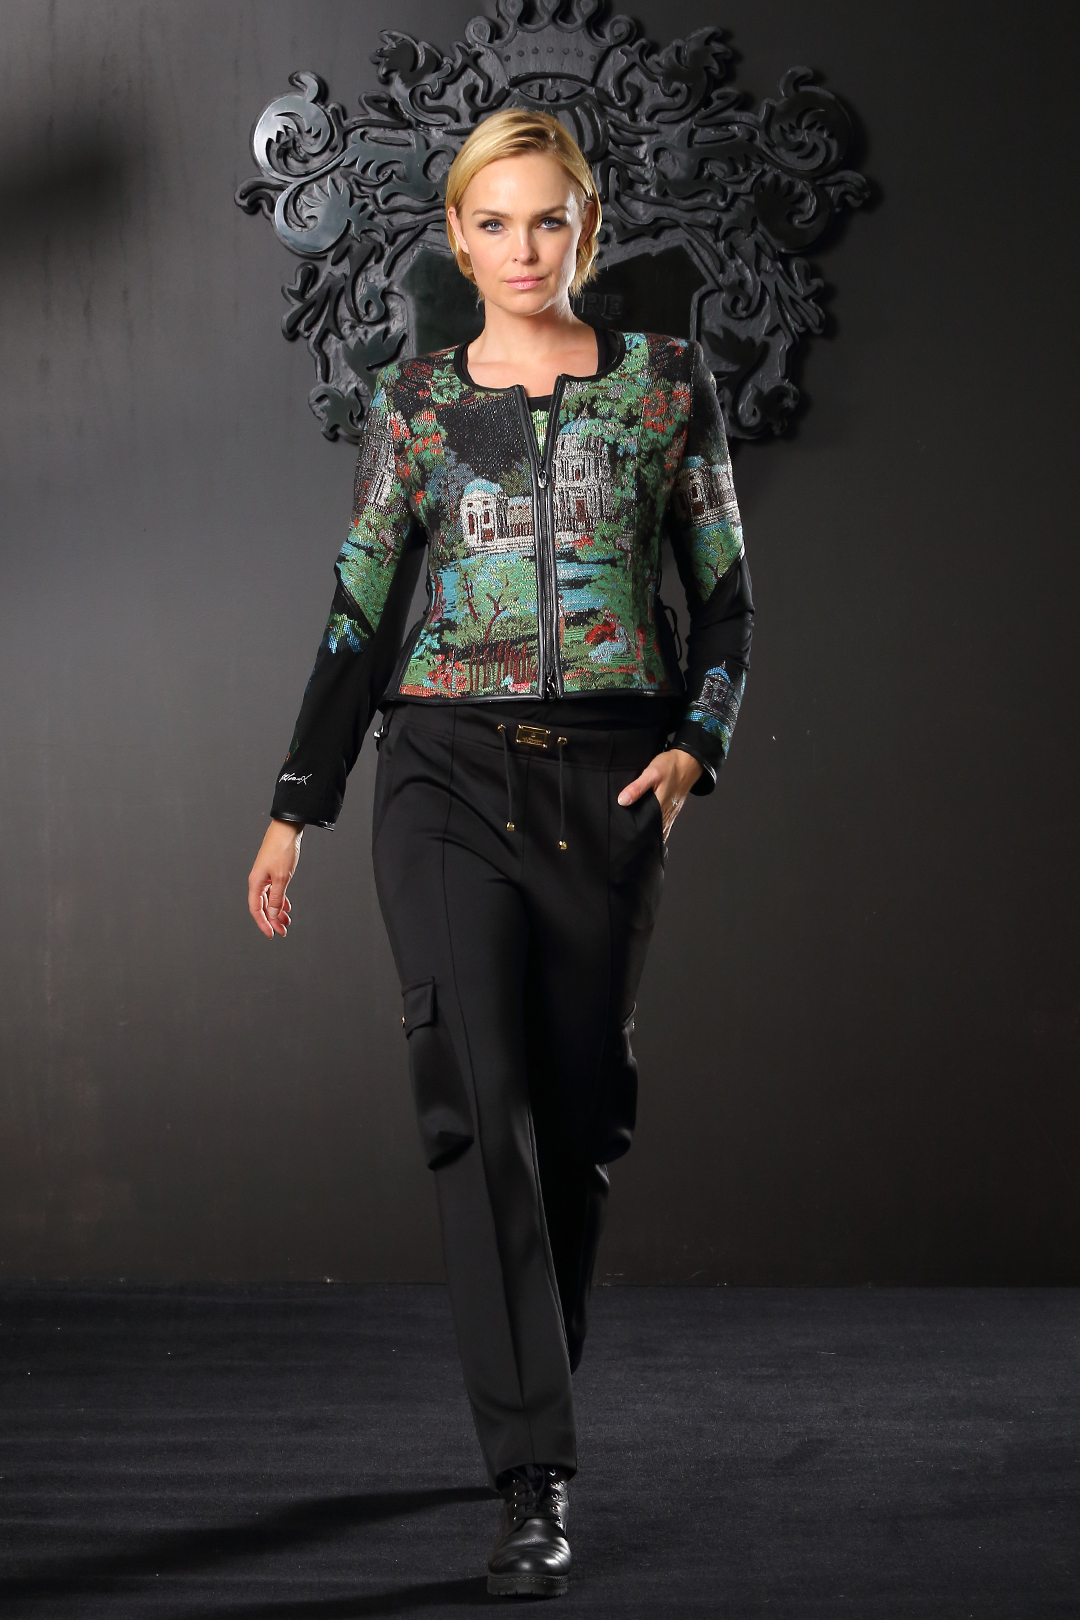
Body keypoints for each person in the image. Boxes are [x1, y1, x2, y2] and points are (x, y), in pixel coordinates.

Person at [246, 106, 753, 1600]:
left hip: (608, 782)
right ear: (457, 240)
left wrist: (697, 744)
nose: (522, 250)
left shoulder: (665, 387)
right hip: (443, 776)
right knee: (470, 1106)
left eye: (548, 221)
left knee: (579, 1122)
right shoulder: (419, 403)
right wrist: (296, 803)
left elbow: (726, 600)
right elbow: (363, 605)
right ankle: (535, 1479)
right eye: (493, 223)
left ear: (584, 229)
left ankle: (542, 1378)